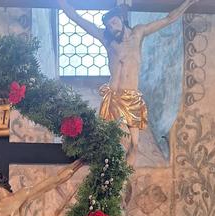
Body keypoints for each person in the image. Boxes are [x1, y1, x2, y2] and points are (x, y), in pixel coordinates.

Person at [57, 0, 198, 166]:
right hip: (113, 97)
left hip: (131, 98)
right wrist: (61, 3)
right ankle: (107, 168)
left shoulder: (138, 33)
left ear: (122, 19)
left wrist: (188, 3)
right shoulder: (107, 39)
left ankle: (124, 175)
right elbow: (77, 18)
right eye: (109, 26)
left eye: (114, 22)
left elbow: (168, 19)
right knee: (109, 139)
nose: (112, 27)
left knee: (135, 144)